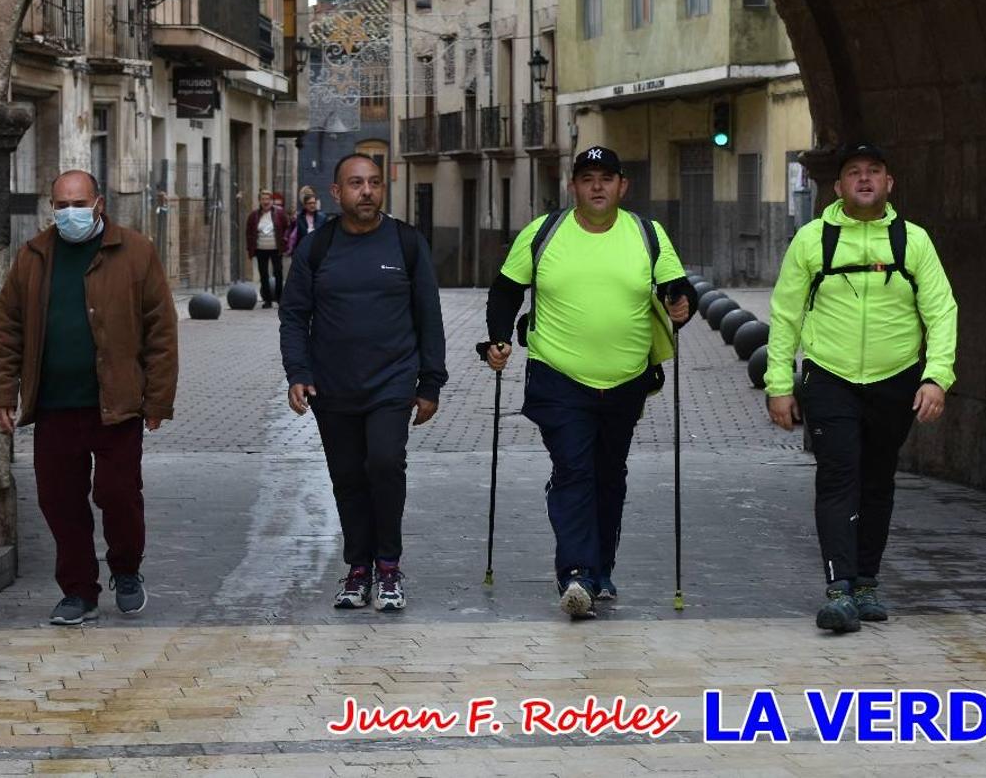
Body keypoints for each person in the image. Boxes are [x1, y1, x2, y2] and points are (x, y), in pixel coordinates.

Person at [482, 145, 692, 619]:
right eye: (587, 178)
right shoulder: (543, 233)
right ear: (573, 186)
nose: (597, 186)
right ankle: (575, 573)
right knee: (576, 469)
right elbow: (507, 290)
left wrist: (682, 302)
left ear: (623, 186)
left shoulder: (646, 234)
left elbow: (677, 287)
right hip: (558, 377)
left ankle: (600, 569)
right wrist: (498, 338)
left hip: (626, 380)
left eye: (606, 178)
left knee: (608, 475)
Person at [765, 141, 957, 633]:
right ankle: (839, 588)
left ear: (890, 183)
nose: (865, 179)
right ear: (838, 185)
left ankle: (866, 581)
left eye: (875, 171)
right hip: (830, 377)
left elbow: (941, 311)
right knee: (837, 477)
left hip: (895, 380)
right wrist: (779, 384)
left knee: (877, 481)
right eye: (854, 172)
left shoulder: (912, 241)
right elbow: (785, 316)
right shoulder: (812, 240)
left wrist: (937, 376)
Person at [0, 170, 178, 626]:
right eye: (60, 205)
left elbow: (161, 330)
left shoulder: (134, 251)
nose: (69, 213)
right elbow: (6, 329)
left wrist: (158, 400)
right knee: (60, 500)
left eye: (77, 203)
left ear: (98, 203)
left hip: (117, 403)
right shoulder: (34, 257)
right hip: (54, 404)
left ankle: (126, 570)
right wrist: (1, 393)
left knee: (118, 493)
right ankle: (78, 590)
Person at [280, 153, 447, 612]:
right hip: (332, 387)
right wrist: (298, 372)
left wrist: (430, 381)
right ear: (337, 193)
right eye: (356, 183)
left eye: (374, 182)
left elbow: (428, 316)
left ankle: (388, 566)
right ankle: (358, 568)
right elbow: (294, 315)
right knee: (349, 477)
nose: (367, 191)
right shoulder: (317, 248)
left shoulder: (407, 243)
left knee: (385, 463)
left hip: (392, 383)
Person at [246, 189, 290, 308]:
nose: (265, 201)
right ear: (259, 201)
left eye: (268, 199)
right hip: (261, 249)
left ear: (271, 200)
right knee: (263, 274)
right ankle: (267, 300)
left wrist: (285, 241)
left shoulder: (279, 213)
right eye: (263, 199)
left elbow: (287, 228)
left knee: (278, 272)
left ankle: (280, 298)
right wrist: (250, 248)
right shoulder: (254, 215)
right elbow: (249, 232)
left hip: (276, 248)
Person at [286, 186, 330, 255]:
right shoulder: (298, 218)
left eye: (314, 203)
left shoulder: (322, 217)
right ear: (304, 205)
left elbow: (326, 235)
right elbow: (294, 237)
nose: (312, 205)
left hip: (317, 251)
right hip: (303, 251)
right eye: (310, 203)